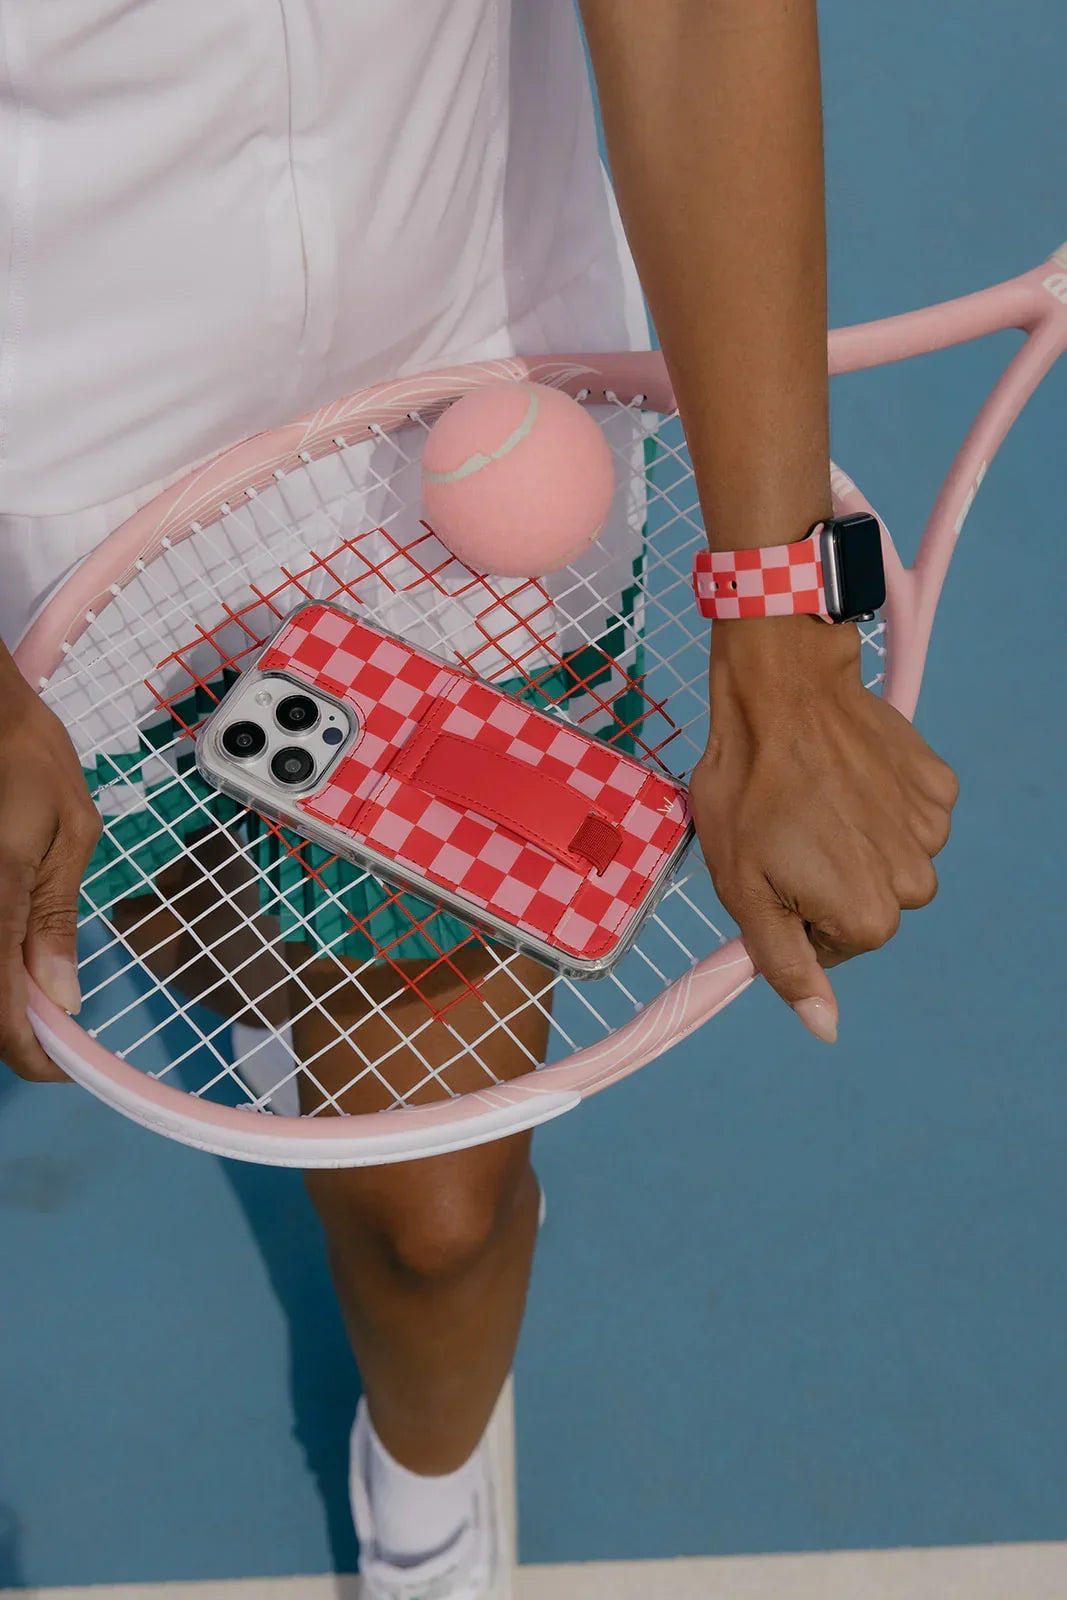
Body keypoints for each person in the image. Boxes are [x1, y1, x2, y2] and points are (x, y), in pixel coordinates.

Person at [0, 2, 957, 1595]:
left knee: (436, 1223)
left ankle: (425, 1504)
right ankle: (275, 979)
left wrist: (782, 618)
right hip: (66, 497)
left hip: (478, 418)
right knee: (234, 961)